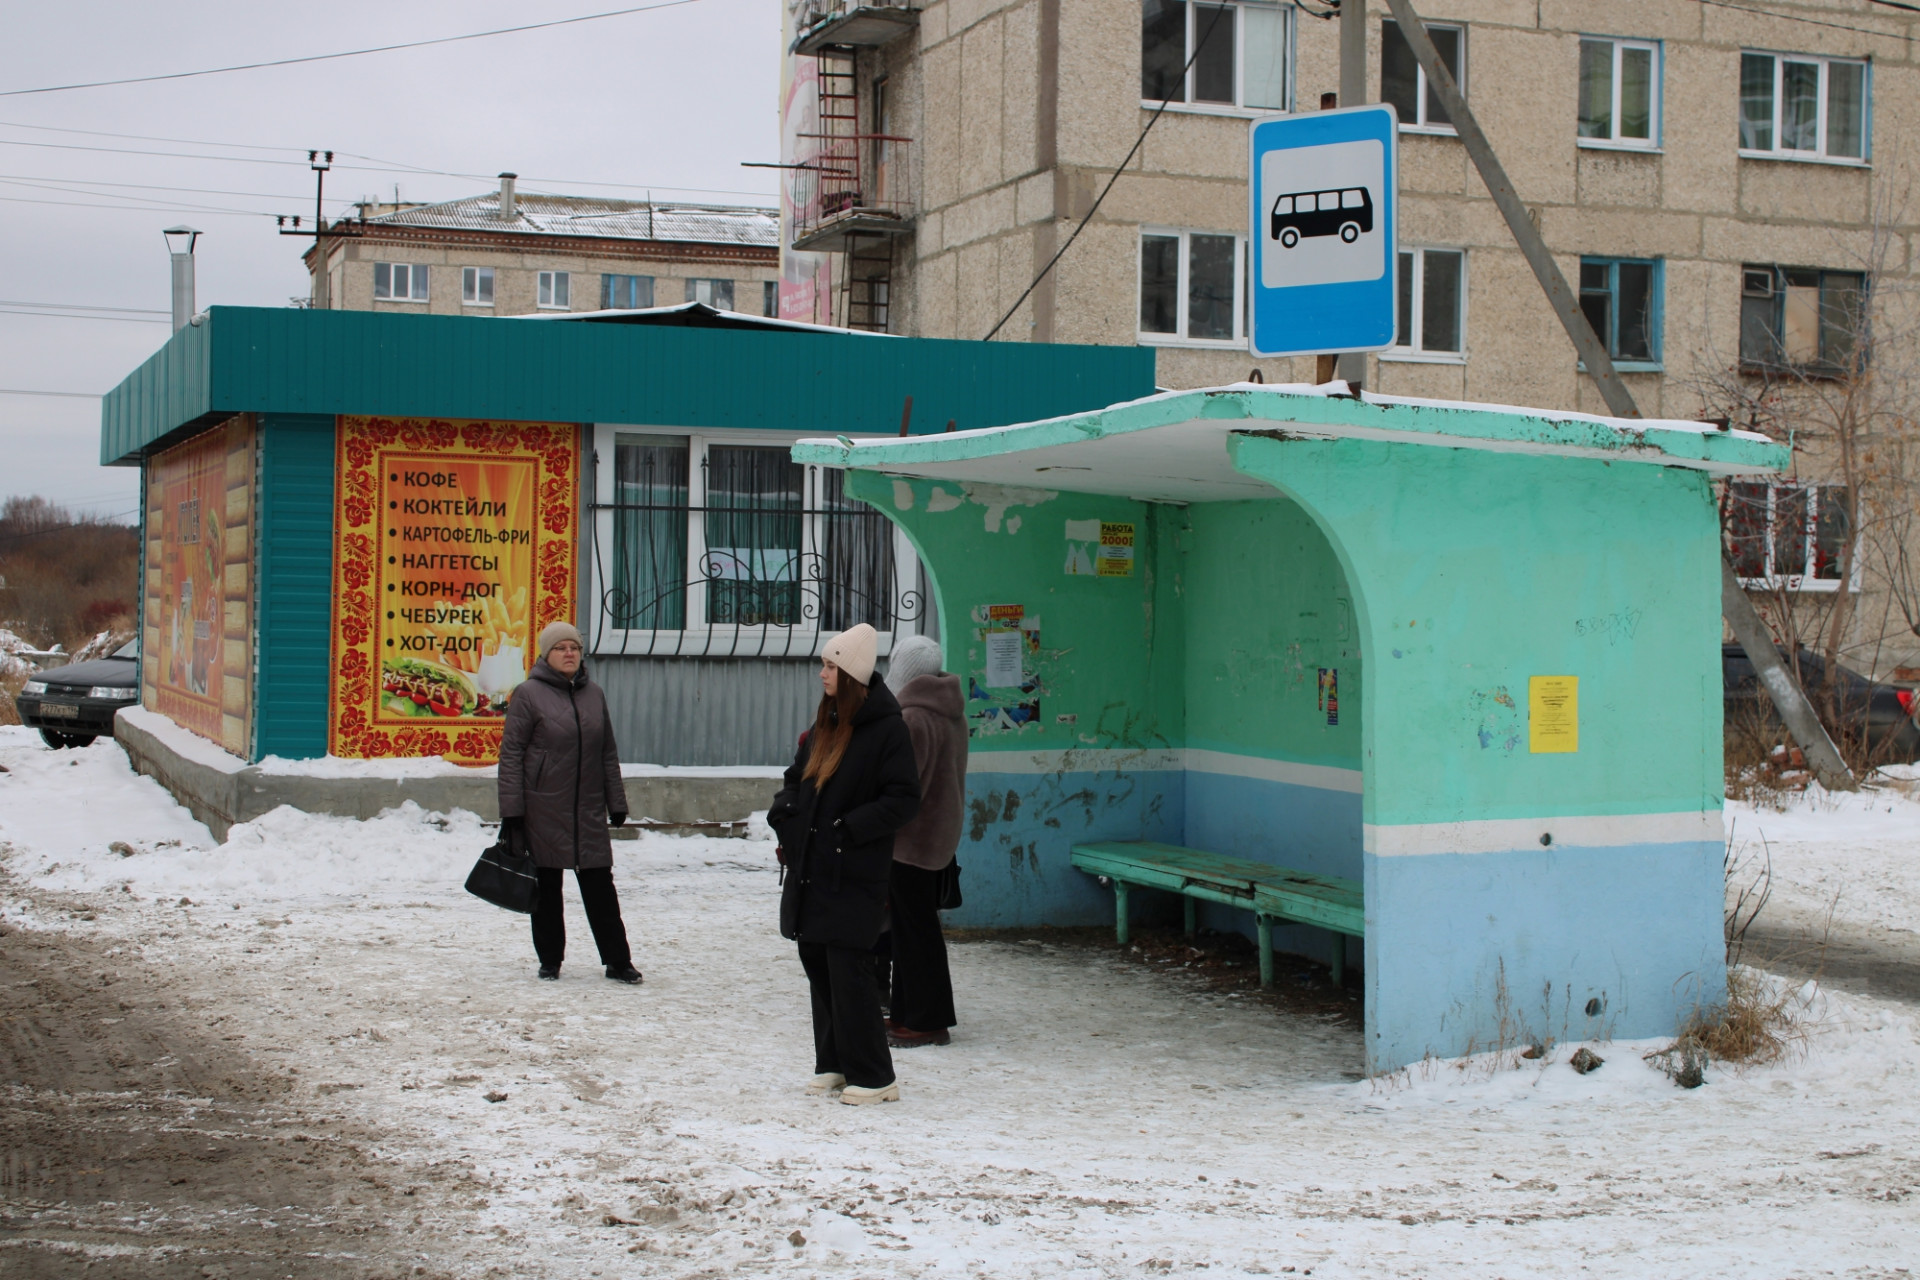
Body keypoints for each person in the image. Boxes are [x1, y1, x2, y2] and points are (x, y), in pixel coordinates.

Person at [769, 623, 921, 1105]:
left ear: (851, 673)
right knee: (816, 959)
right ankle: (834, 1062)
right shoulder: (826, 723)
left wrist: (849, 828)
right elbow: (795, 779)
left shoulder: (888, 730)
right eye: (823, 664)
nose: (822, 674)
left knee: (849, 968)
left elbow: (903, 799)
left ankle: (875, 1077)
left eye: (830, 666)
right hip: (813, 867)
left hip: (854, 870)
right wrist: (786, 815)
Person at [497, 622, 643, 985]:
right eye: (561, 648)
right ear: (547, 654)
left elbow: (607, 751)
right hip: (542, 806)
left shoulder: (594, 693)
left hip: (588, 808)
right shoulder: (528, 694)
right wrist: (512, 811)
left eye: (574, 648)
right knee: (546, 888)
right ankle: (550, 960)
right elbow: (511, 755)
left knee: (600, 888)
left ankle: (618, 961)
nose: (569, 653)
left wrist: (616, 801)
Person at [881, 635, 967, 1048]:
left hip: (911, 840)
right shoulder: (949, 712)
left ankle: (926, 1020)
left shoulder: (913, 717)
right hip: (938, 836)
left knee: (914, 933)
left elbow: (903, 785)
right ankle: (907, 1014)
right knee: (915, 928)